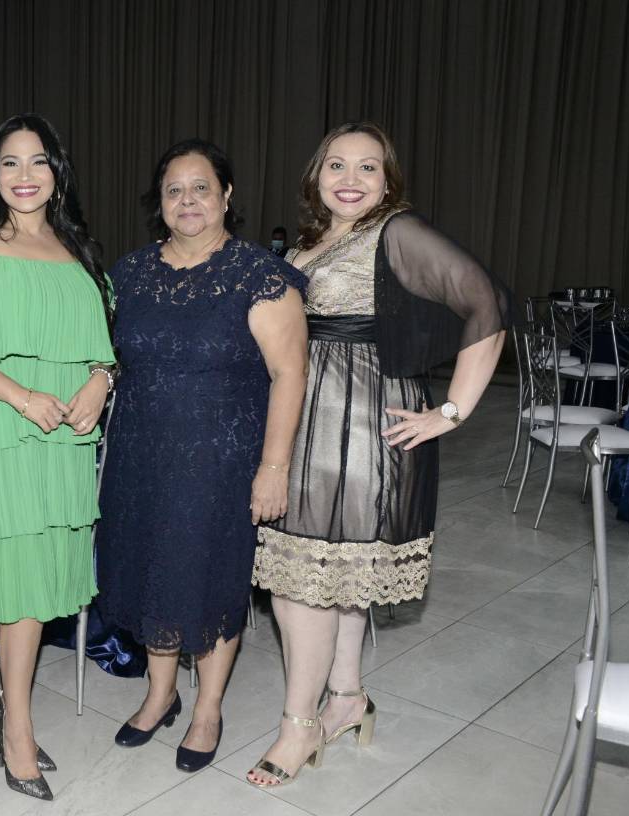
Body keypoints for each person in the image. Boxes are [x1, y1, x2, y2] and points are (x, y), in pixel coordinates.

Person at [246, 122, 510, 788]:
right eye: (337, 165)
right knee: (337, 576)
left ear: (389, 180)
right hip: (307, 417)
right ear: (316, 176)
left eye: (368, 167)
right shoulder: (310, 242)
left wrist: (452, 411)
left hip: (358, 422)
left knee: (305, 584)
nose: (351, 179)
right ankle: (346, 700)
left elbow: (485, 300)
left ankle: (297, 727)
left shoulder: (397, 232)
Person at [97, 139, 308, 772]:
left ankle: (208, 707)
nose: (187, 200)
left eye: (200, 187)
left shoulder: (258, 274)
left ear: (226, 196)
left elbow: (290, 373)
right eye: (174, 190)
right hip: (140, 454)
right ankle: (160, 693)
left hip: (220, 461)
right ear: (158, 201)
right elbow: (107, 355)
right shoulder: (129, 273)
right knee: (152, 571)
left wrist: (274, 467)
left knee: (208, 578)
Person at [0, 113, 116, 801]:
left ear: (57, 173)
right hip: (0, 426)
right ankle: (18, 730)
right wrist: (20, 396)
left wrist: (100, 382)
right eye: (10, 162)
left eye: (38, 161)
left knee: (41, 578)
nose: (25, 175)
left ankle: (10, 706)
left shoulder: (77, 252)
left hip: (66, 434)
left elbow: (104, 348)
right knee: (16, 578)